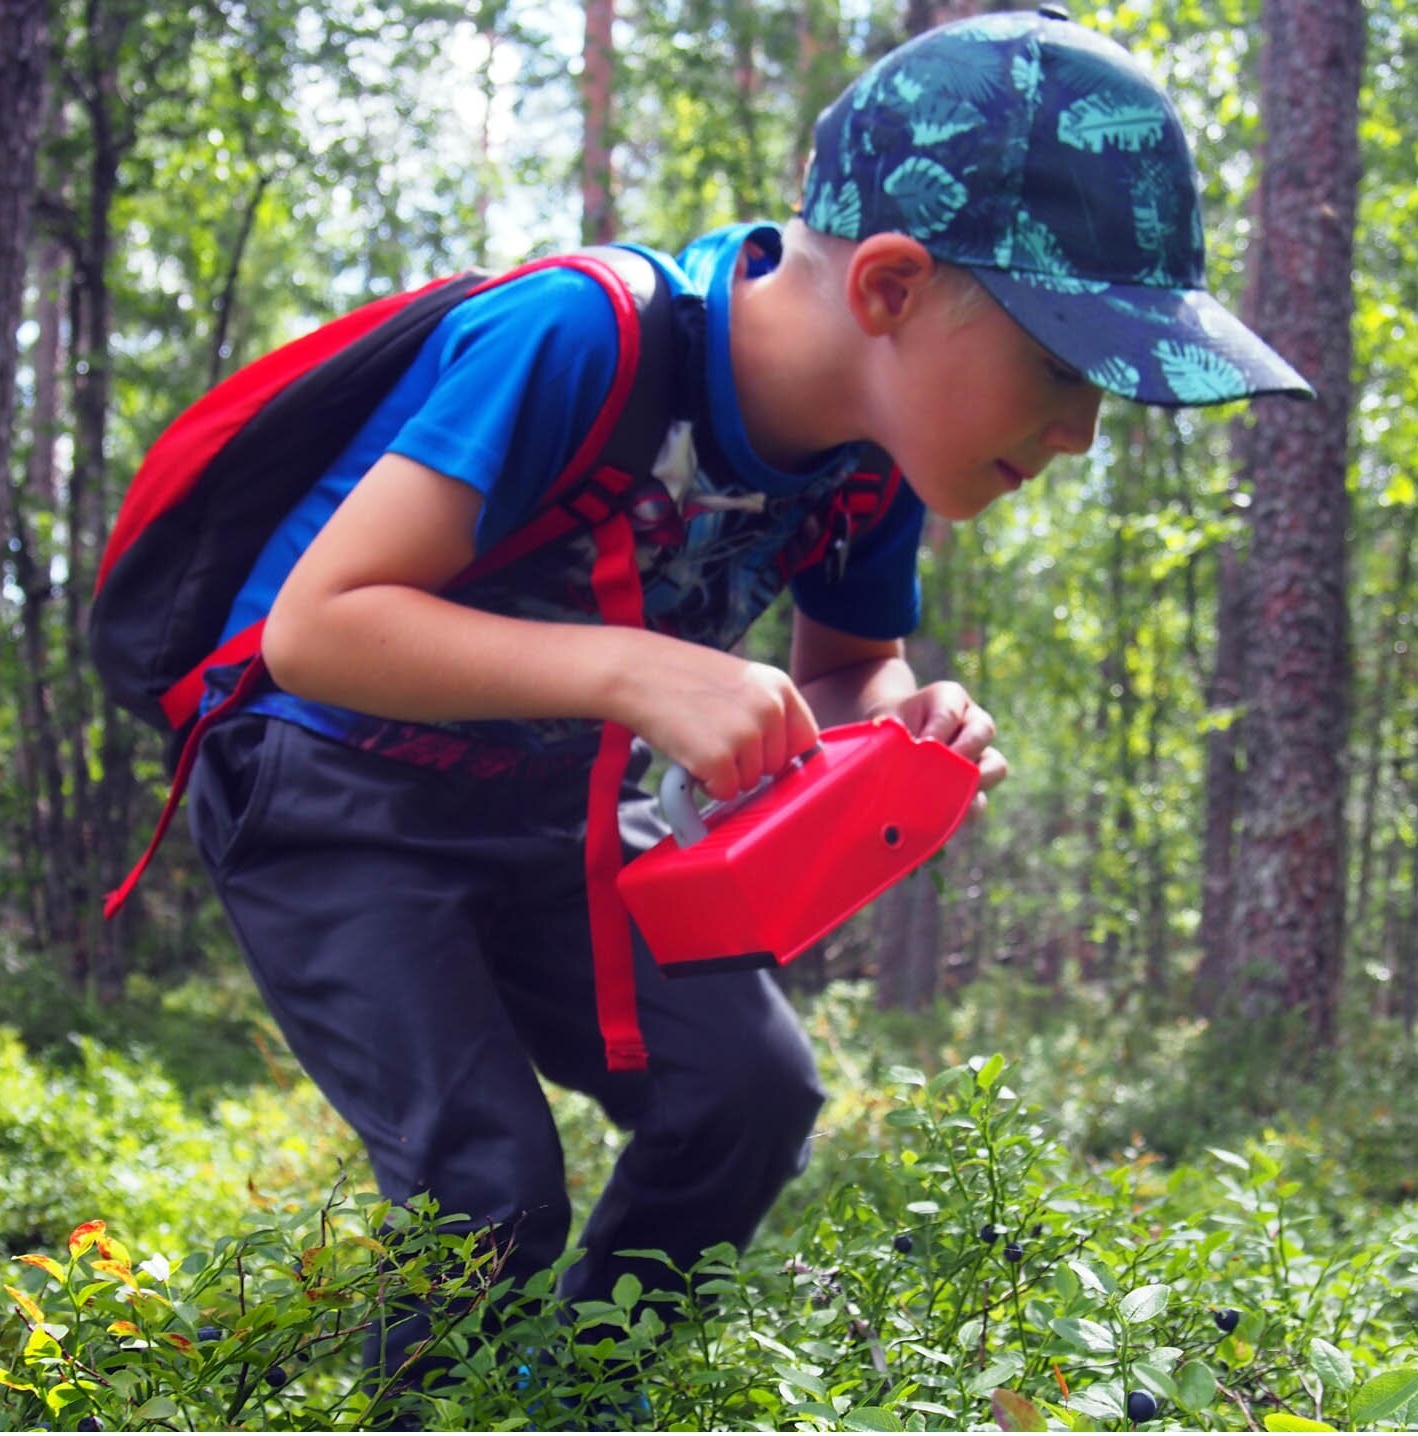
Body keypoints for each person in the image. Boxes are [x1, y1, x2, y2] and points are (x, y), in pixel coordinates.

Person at [185, 1, 1311, 1405]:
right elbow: (317, 629)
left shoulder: (867, 459)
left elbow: (846, 667)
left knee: (746, 1090)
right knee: (485, 1188)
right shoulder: (578, 339)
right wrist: (636, 671)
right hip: (334, 793)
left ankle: (574, 1400)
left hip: (553, 813)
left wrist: (893, 725)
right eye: (1062, 367)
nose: (1081, 432)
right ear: (890, 288)